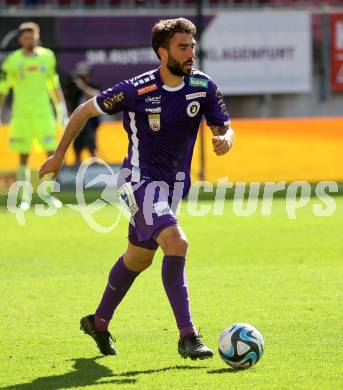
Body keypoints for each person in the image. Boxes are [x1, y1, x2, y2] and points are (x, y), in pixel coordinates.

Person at [39, 18, 234, 360]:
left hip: (173, 188)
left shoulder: (203, 86)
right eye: (183, 47)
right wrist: (58, 155)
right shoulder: (137, 88)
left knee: (138, 258)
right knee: (177, 242)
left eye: (192, 46)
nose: (191, 53)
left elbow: (224, 126)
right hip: (138, 181)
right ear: (163, 52)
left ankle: (98, 322)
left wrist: (225, 140)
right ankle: (188, 336)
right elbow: (85, 110)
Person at [0, 22, 68, 210]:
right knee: (23, 155)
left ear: (37, 36)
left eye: (34, 36)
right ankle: (24, 197)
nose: (31, 40)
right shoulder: (12, 61)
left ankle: (47, 194)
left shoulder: (47, 57)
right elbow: (3, 88)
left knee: (50, 153)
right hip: (21, 114)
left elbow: (53, 84)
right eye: (27, 37)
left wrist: (60, 107)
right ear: (21, 39)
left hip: (43, 113)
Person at [64, 63, 100, 165]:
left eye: (84, 76)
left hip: (91, 123)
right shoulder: (74, 89)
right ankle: (77, 165)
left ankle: (95, 164)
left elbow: (96, 96)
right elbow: (68, 102)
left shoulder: (93, 86)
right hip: (77, 123)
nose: (83, 78)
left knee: (91, 144)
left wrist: (82, 86)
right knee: (77, 145)